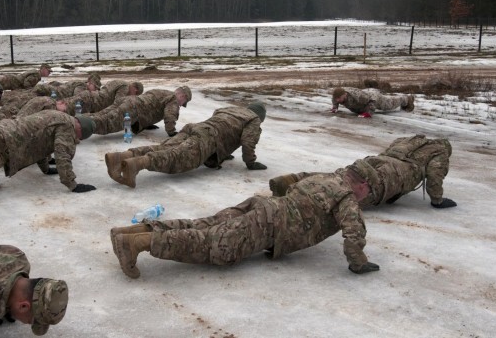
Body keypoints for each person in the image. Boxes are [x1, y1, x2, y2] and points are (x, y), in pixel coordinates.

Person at [111, 165, 378, 279]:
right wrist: (359, 265)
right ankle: (138, 243)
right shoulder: (347, 198)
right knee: (213, 245)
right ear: (362, 185)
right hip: (269, 224)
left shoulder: (325, 176)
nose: (367, 198)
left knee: (203, 225)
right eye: (369, 192)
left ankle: (130, 231)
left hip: (260, 205)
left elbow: (286, 181)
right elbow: (353, 236)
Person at [268, 134, 456, 209]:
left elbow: (388, 152)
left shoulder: (409, 139)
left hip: (377, 161)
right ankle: (298, 202)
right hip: (396, 172)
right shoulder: (439, 151)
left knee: (340, 177)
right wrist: (437, 200)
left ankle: (297, 178)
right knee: (344, 194)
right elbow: (434, 175)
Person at [105, 102, 267, 188]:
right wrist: (250, 162)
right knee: (177, 157)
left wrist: (222, 151)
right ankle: (137, 164)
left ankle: (122, 156)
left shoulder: (231, 109)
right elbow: (247, 141)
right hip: (207, 137)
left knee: (163, 147)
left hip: (194, 127)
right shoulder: (254, 120)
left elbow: (221, 123)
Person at [89, 86, 191, 137]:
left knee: (101, 114)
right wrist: (172, 132)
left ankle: (78, 120)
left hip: (127, 100)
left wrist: (146, 123)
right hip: (132, 110)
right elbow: (170, 115)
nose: (181, 105)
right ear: (182, 96)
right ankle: (77, 127)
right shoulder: (174, 100)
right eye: (184, 102)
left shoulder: (162, 92)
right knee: (105, 123)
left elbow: (149, 103)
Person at [331, 87, 414, 118]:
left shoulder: (357, 96)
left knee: (390, 104)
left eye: (339, 98)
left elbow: (372, 101)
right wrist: (335, 107)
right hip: (362, 105)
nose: (337, 100)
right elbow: (335, 100)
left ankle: (407, 99)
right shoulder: (337, 96)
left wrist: (368, 113)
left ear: (345, 95)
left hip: (374, 98)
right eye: (336, 99)